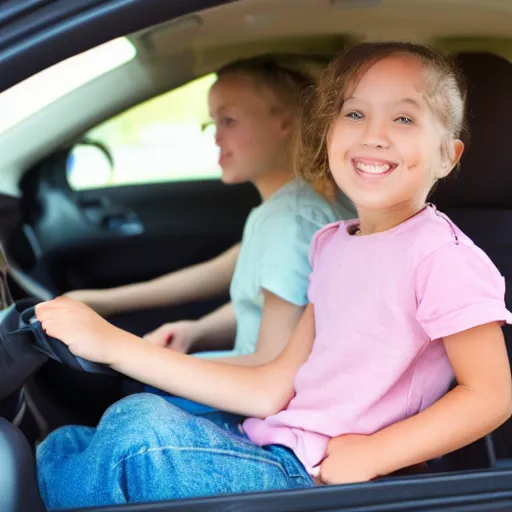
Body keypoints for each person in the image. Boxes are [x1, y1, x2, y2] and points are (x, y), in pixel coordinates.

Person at [36, 41, 512, 510]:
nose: (374, 134)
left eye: (404, 118)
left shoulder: (441, 257)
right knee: (72, 440)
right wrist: (122, 346)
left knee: (138, 440)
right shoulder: (332, 244)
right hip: (267, 446)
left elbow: (491, 395)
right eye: (354, 114)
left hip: (315, 476)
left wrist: (375, 453)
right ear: (327, 133)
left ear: (448, 156)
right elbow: (271, 387)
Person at [66, 57, 353, 374]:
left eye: (229, 120)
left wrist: (127, 354)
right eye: (213, 123)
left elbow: (271, 367)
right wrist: (196, 330)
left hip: (256, 408)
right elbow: (262, 297)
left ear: (285, 123)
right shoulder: (304, 204)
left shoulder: (288, 222)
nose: (216, 137)